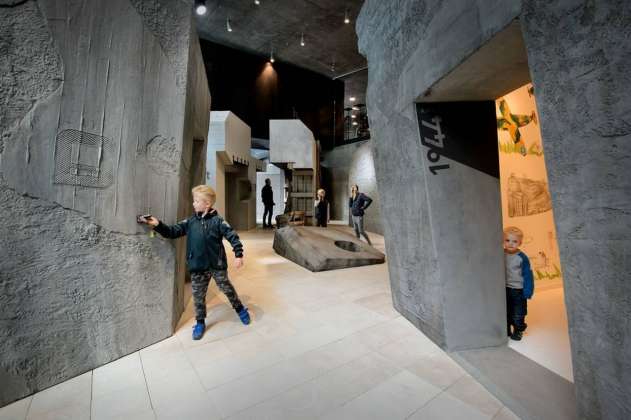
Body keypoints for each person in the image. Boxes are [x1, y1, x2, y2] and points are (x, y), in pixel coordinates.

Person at [140, 185, 250, 340]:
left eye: (196, 201)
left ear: (207, 204)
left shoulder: (218, 221)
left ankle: (239, 309)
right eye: (194, 200)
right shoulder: (190, 222)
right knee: (198, 296)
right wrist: (157, 224)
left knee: (227, 288)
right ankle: (200, 322)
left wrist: (238, 254)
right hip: (197, 266)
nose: (193, 204)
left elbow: (232, 236)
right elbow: (172, 231)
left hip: (217, 265)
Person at [504, 226, 534, 341]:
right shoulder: (501, 254)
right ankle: (506, 328)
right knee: (506, 310)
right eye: (507, 240)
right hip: (505, 288)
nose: (511, 244)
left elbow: (528, 275)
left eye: (514, 241)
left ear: (520, 243)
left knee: (518, 312)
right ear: (503, 240)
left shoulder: (522, 258)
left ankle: (518, 329)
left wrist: (528, 290)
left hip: (518, 289)